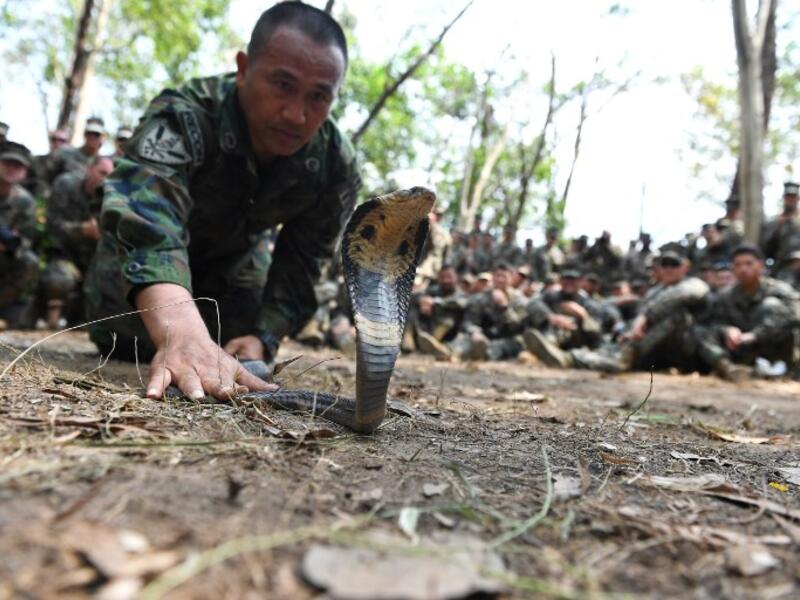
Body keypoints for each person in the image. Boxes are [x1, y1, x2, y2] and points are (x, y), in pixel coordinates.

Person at [84, 2, 360, 401]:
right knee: (122, 340)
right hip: (147, 279)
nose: (297, 115)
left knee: (237, 348)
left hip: (233, 275)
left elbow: (302, 264)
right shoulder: (185, 115)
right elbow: (146, 220)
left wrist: (263, 338)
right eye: (283, 84)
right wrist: (179, 329)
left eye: (319, 96)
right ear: (244, 68)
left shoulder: (333, 162)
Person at [696, 244, 799, 381]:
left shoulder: (779, 289)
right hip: (741, 352)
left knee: (771, 305)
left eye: (749, 263)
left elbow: (795, 313)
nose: (743, 269)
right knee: (700, 330)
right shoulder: (725, 295)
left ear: (761, 266)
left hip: (773, 352)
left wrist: (755, 335)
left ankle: (779, 370)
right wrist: (727, 330)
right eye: (737, 265)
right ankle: (727, 368)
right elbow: (714, 321)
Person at [40, 156, 114, 328]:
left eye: (110, 175)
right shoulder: (66, 184)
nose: (105, 179)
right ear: (89, 169)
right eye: (102, 173)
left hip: (96, 263)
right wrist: (83, 230)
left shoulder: (114, 197)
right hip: (67, 257)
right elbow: (52, 226)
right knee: (59, 278)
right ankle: (53, 320)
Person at [450, 263, 527, 361]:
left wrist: (504, 307)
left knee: (504, 345)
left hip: (508, 338)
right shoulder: (481, 298)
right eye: (497, 276)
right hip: (484, 336)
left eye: (504, 276)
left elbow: (517, 326)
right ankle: (449, 352)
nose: (500, 279)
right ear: (493, 277)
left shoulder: (519, 300)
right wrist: (475, 332)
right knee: (463, 338)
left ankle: (482, 355)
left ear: (511, 278)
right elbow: (469, 321)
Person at [0, 142, 39, 327]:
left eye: (18, 166)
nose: (12, 169)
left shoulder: (25, 201)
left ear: (25, 172)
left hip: (5, 256)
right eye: (7, 163)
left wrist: (11, 245)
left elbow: (26, 240)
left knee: (29, 262)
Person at [412, 264, 467, 360]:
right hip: (429, 327)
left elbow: (457, 303)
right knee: (412, 310)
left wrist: (434, 302)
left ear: (456, 277)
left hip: (451, 335)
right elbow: (417, 296)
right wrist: (423, 301)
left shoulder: (461, 294)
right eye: (442, 277)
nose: (446, 280)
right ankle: (409, 347)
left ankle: (436, 346)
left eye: (449, 277)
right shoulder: (434, 290)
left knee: (449, 319)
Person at [46, 117, 106, 183]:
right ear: (84, 134)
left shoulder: (103, 164)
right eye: (89, 133)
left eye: (96, 134)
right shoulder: (65, 154)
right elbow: (46, 175)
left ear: (102, 137)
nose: (92, 137)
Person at [761, 181, 800, 280]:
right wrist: (777, 228)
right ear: (784, 198)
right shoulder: (774, 222)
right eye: (788, 197)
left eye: (793, 197)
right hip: (781, 269)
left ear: (798, 199)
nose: (791, 200)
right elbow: (766, 250)